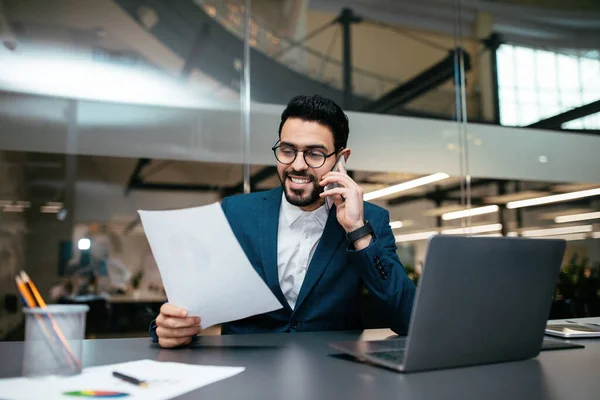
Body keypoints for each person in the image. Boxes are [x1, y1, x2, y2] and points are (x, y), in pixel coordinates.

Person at [151, 94, 416, 348]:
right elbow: (186, 305)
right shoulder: (236, 213)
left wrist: (357, 231)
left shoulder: (371, 221)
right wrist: (170, 327)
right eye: (288, 150)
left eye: (314, 154)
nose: (297, 165)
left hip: (332, 377)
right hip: (247, 377)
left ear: (341, 159)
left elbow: (408, 318)